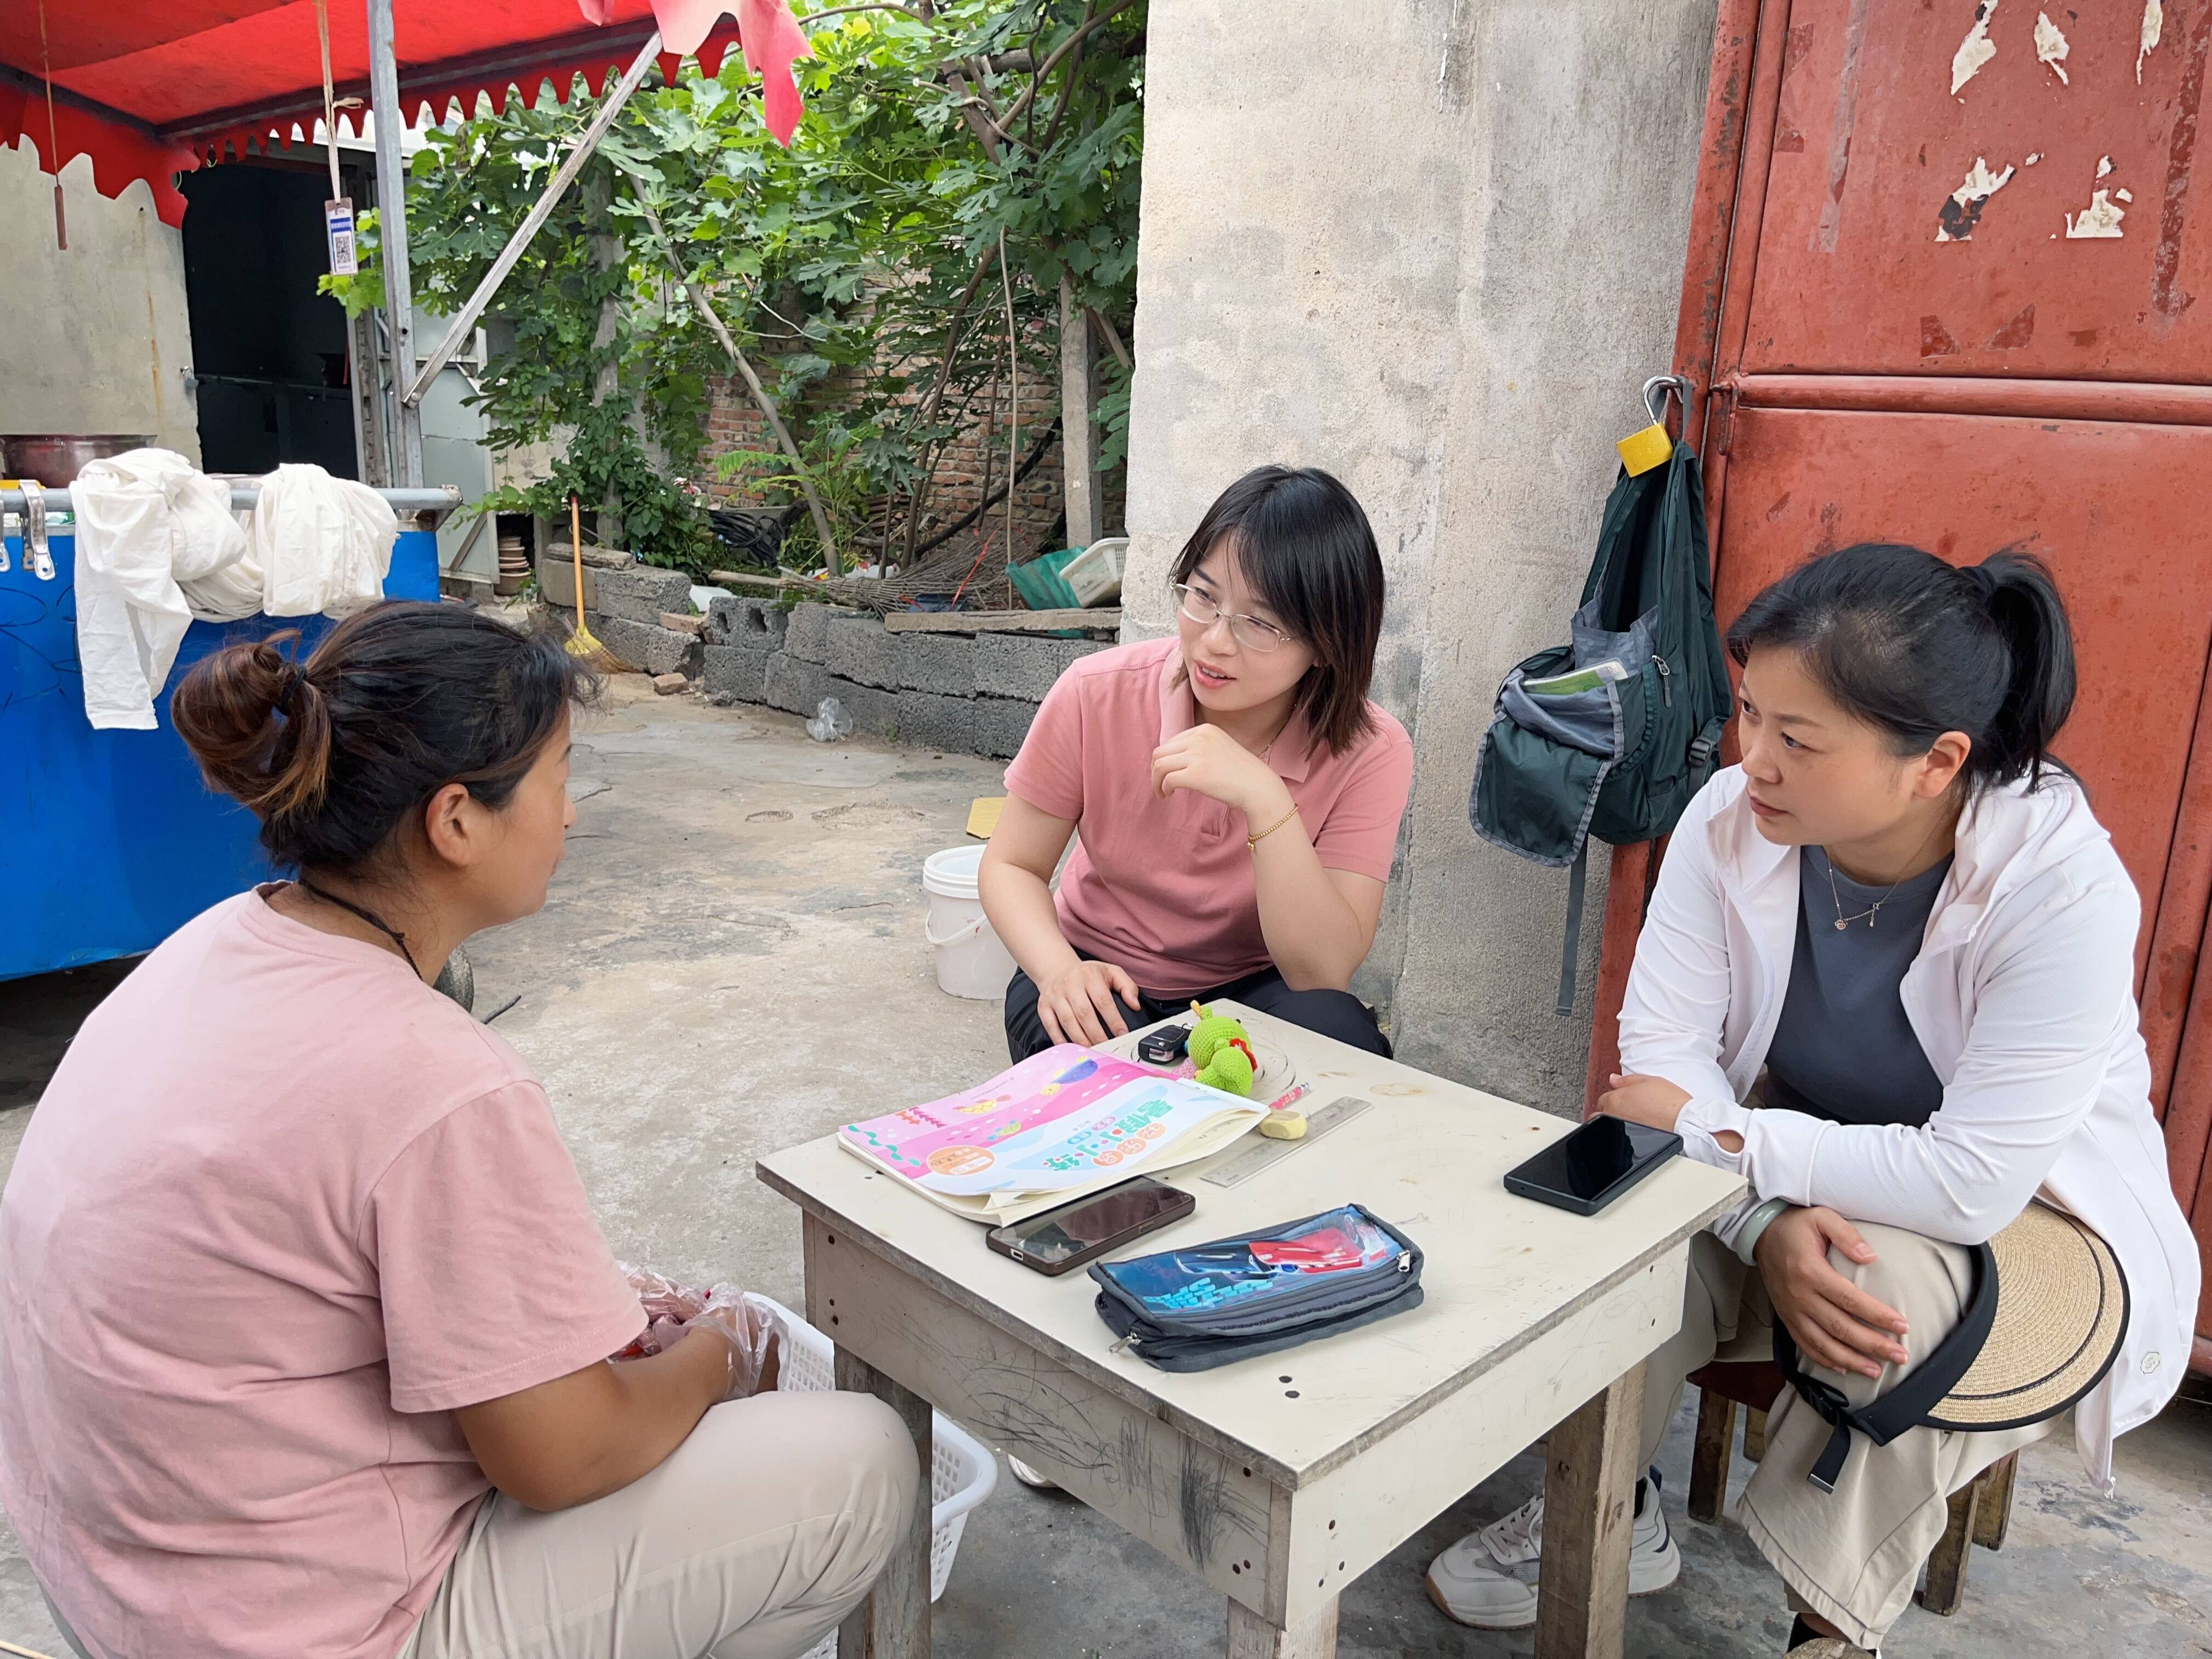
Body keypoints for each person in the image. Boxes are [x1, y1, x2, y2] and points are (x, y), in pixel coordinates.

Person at [0, 603, 918, 1659]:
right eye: (559, 776)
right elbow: (564, 1457)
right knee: (859, 1457)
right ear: (455, 821)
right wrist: (722, 1348)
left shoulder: (211, 943)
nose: (569, 814)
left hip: (104, 1580)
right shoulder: (434, 1076)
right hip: (285, 1628)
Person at [1425, 545, 2199, 1656]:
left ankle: (1829, 1625)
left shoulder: (2059, 889)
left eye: (1799, 737)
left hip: (2015, 1218)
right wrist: (1762, 1221)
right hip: (1796, 1156)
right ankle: (1609, 1500)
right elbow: (1662, 1055)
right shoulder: (1728, 816)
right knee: (1612, 1216)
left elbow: (1969, 1181)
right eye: (1750, 713)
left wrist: (1720, 1141)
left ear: (1936, 762)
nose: (1754, 758)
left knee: (1877, 1301)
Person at [981, 465, 1414, 1064]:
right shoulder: (1095, 692)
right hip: (1098, 969)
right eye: (1203, 597)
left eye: (1260, 623)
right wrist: (1058, 971)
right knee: (1101, 1076)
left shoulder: (1371, 749)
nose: (1214, 641)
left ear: (1326, 642)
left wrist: (1266, 798)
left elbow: (1322, 971)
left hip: (1256, 988)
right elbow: (1011, 864)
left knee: (1340, 1036)